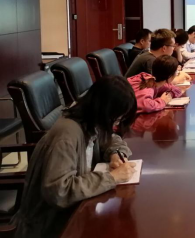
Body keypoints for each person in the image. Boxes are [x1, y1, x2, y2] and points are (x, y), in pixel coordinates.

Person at [13, 76, 138, 238]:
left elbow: (110, 138)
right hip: (51, 226)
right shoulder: (67, 135)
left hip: (75, 211)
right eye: (116, 118)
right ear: (104, 111)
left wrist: (115, 153)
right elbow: (59, 191)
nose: (116, 124)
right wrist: (112, 177)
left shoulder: (89, 120)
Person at [126, 28, 191, 84]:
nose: (173, 49)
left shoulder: (151, 55)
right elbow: (158, 83)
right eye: (173, 46)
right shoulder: (150, 60)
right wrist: (178, 79)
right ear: (164, 48)